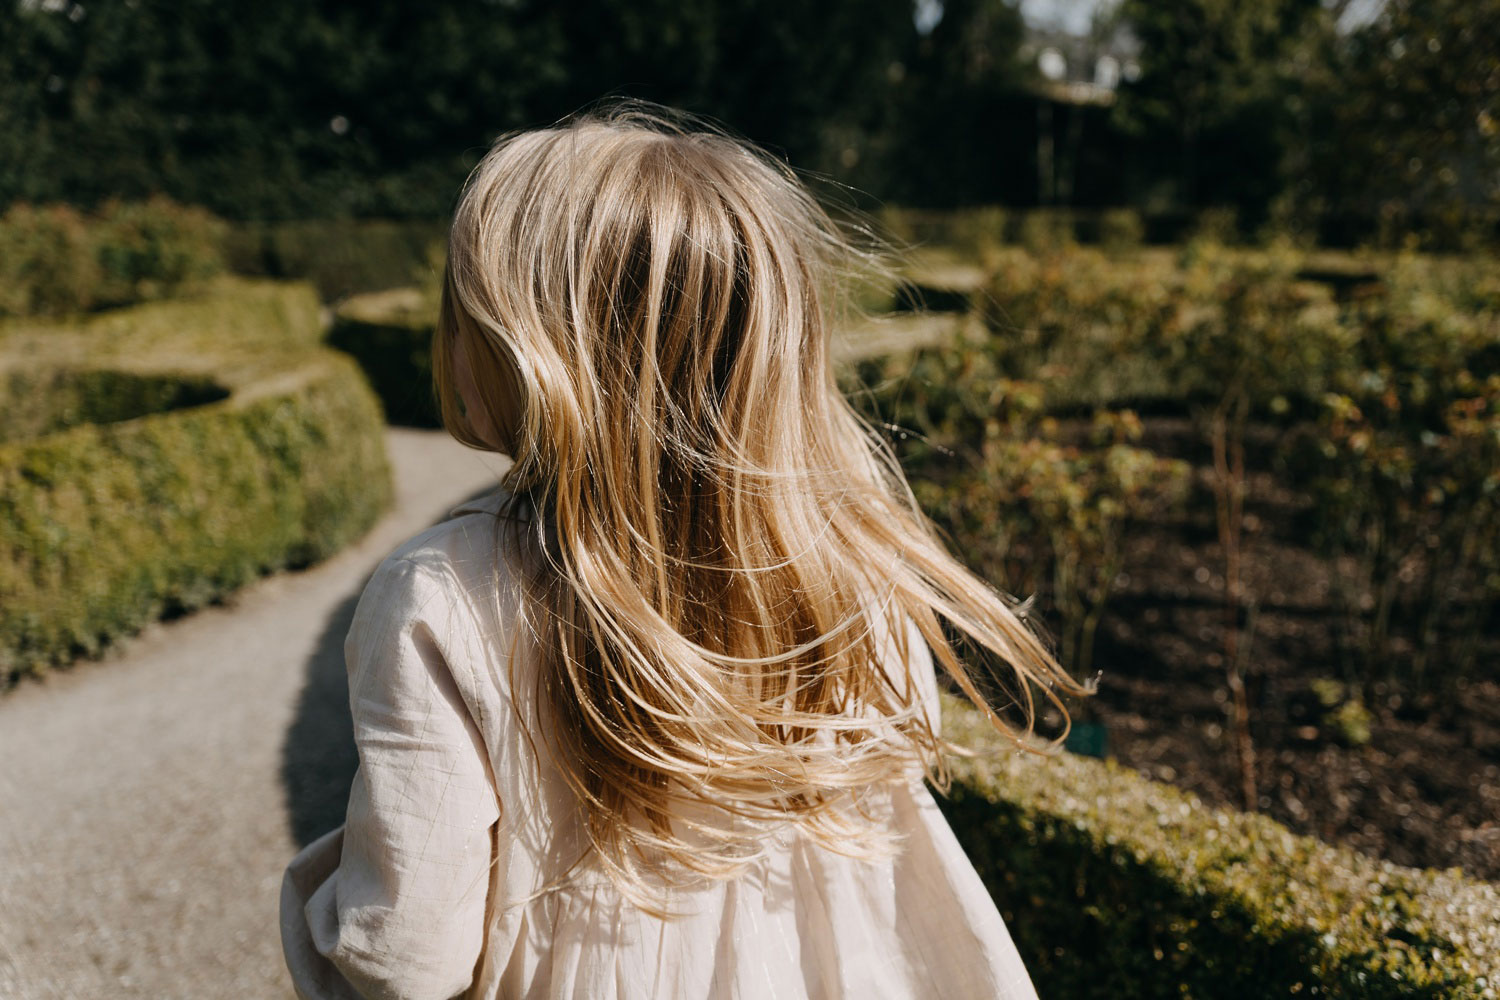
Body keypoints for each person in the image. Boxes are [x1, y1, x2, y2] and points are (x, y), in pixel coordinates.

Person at [279, 97, 1093, 1000]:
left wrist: (321, 897)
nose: (452, 334)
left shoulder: (443, 597)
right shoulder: (856, 562)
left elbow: (405, 956)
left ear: (543, 354)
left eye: (468, 309)